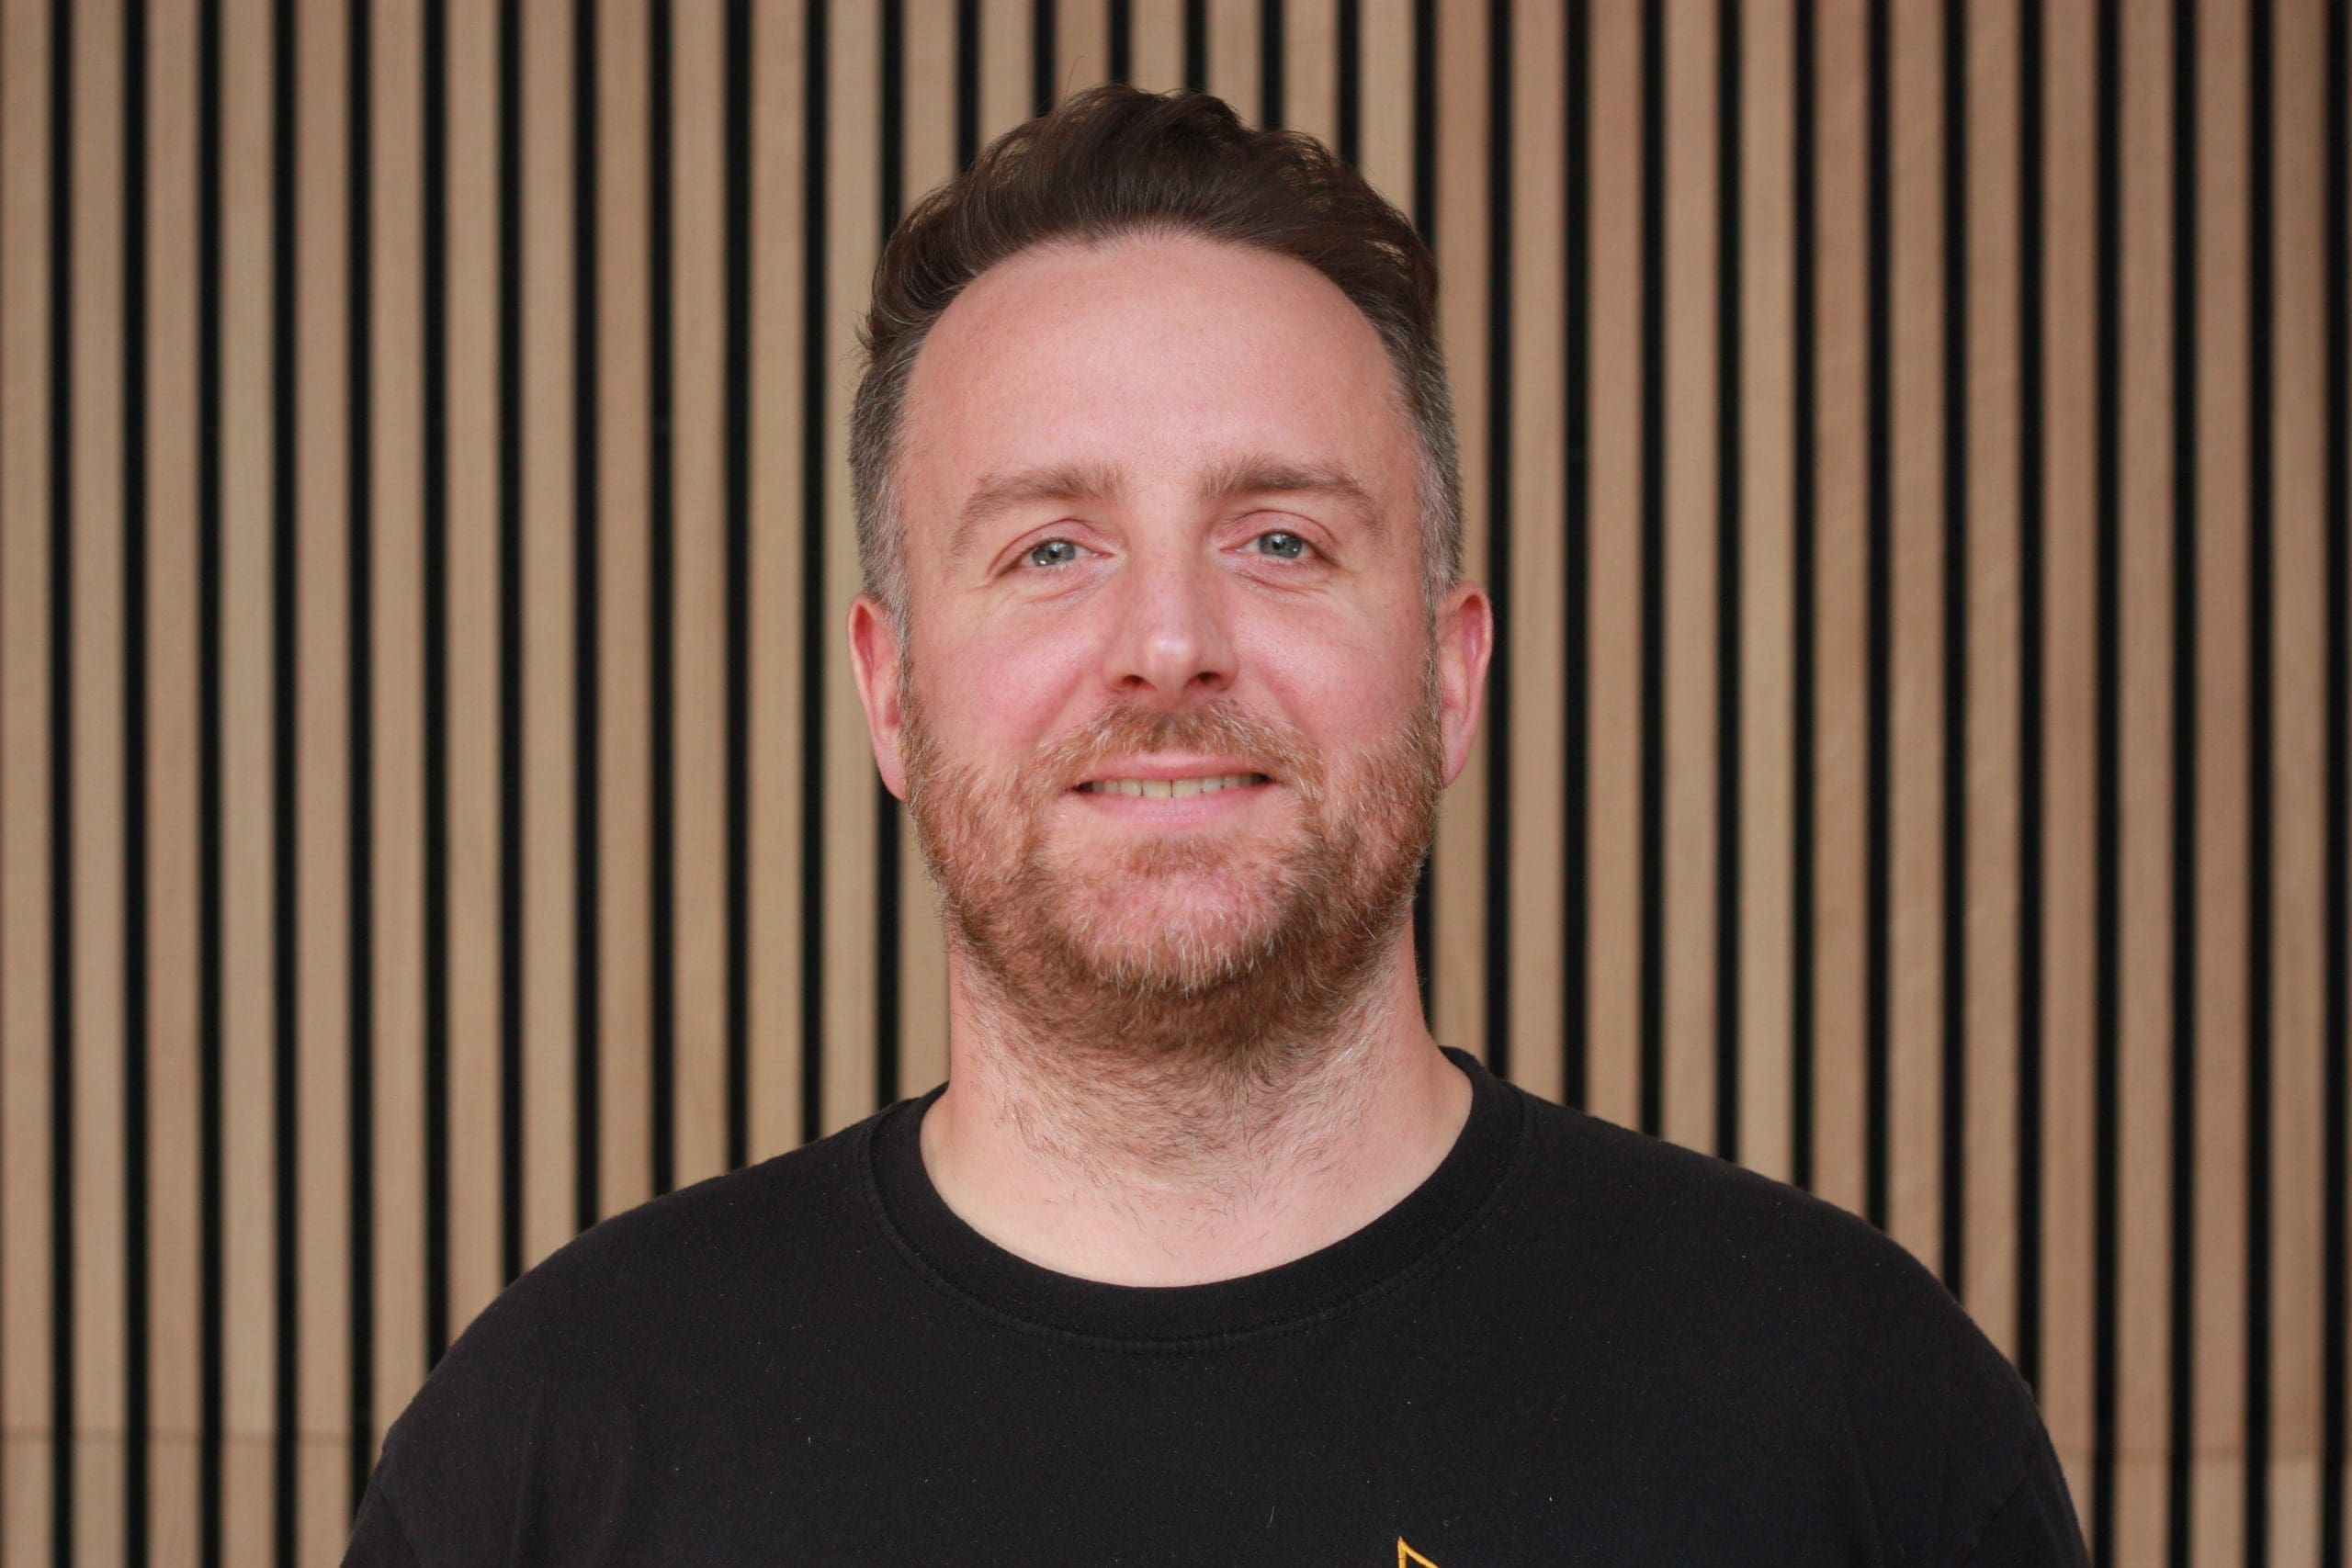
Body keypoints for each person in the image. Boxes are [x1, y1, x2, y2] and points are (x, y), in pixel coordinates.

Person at [345, 85, 2086, 1566]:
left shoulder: (1845, 1416)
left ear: (1453, 671)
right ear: (890, 694)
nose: (1168, 644)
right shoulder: (564, 1451)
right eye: (1049, 547)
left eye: (1280, 539)